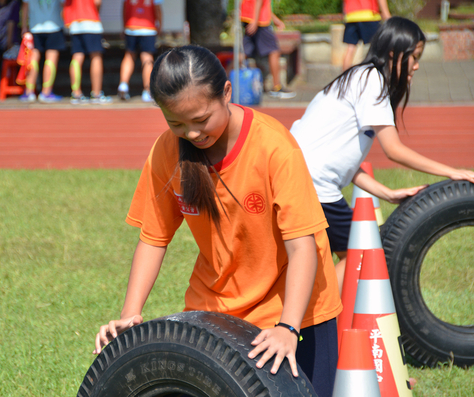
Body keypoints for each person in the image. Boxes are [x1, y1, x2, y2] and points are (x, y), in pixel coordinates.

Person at [93, 45, 343, 397]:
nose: (192, 134)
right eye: (176, 123)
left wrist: (289, 327)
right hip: (215, 310)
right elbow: (154, 237)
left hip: (296, 309)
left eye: (201, 120)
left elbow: (303, 246)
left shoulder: (275, 148)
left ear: (227, 92)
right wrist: (130, 314)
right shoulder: (167, 151)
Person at [290, 17, 474, 292]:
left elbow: (345, 164)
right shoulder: (370, 80)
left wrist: (386, 193)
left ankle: (311, 311)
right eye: (414, 56)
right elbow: (394, 150)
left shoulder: (361, 77)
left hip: (300, 178)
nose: (417, 65)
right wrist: (451, 171)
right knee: (363, 250)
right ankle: (314, 312)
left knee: (337, 255)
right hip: (312, 185)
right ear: (393, 53)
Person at [240, 0, 295, 98]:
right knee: (274, 51)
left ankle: (221, 81)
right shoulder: (258, 20)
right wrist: (255, 21)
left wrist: (274, 19)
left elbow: (264, 4)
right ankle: (276, 87)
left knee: (244, 52)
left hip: (248, 17)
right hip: (260, 21)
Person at [63, 0, 112, 104]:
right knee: (96, 57)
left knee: (77, 56)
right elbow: (97, 2)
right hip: (91, 21)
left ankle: (76, 94)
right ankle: (96, 94)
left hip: (75, 23)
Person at [117, 0, 162, 103]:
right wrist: (160, 25)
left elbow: (125, 8)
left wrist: (124, 25)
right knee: (147, 58)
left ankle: (123, 84)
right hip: (148, 27)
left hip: (131, 27)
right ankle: (147, 91)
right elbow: (158, 9)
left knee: (129, 55)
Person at [20, 0, 65, 103]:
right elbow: (64, 5)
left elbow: (25, 6)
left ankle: (29, 92)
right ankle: (46, 92)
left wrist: (24, 26)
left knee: (33, 58)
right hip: (55, 26)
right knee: (51, 59)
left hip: (35, 27)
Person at [341, 0, 391, 71]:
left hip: (351, 15)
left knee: (350, 48)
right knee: (377, 47)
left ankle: (344, 78)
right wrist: (386, 14)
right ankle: (377, 74)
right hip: (369, 14)